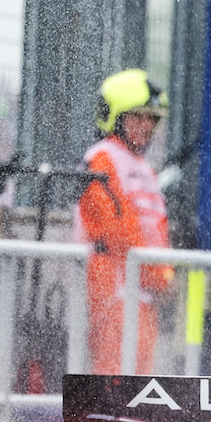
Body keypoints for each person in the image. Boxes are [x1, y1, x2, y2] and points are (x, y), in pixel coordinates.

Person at [76, 68, 173, 374]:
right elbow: (117, 230)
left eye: (152, 119)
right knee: (113, 383)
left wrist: (161, 275)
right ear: (115, 117)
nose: (147, 126)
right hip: (113, 290)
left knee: (138, 388)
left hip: (141, 293)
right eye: (137, 117)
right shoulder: (102, 159)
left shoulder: (143, 166)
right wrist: (160, 276)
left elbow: (155, 231)